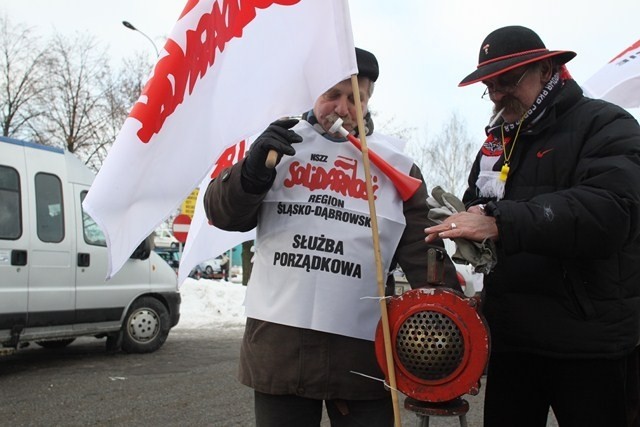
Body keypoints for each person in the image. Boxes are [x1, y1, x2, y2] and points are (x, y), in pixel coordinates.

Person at [204, 47, 461, 427]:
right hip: (280, 351)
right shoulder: (278, 146)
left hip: (364, 359)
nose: (343, 109)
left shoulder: (395, 165)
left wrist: (456, 324)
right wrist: (251, 172)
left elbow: (424, 254)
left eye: (356, 98)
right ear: (314, 93)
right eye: (333, 95)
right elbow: (221, 214)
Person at [425, 25, 640, 427]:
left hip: (589, 347)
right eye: (489, 85)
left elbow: (611, 212)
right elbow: (480, 207)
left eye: (507, 81)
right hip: (513, 341)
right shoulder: (497, 142)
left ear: (546, 69)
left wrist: (499, 223)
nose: (496, 94)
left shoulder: (606, 123)